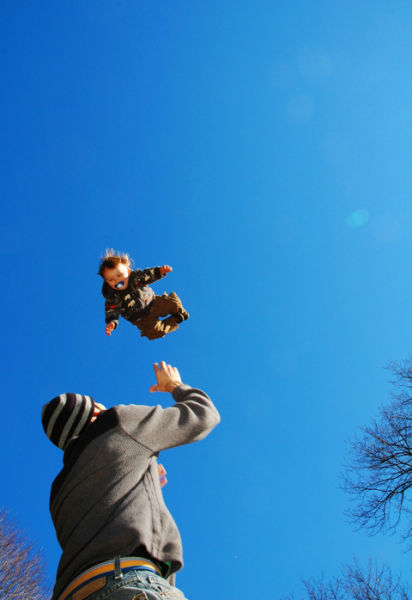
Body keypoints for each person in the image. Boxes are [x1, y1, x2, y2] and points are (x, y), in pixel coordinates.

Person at [42, 361, 220, 600]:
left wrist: (146, 481)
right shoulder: (117, 422)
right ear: (94, 413)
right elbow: (203, 415)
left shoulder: (58, 492)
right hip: (129, 582)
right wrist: (174, 385)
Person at [98, 250, 189, 340]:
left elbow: (146, 275)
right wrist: (112, 322)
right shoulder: (112, 297)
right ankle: (176, 319)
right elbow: (111, 311)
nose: (117, 281)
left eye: (119, 275)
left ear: (128, 271)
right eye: (111, 280)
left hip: (153, 303)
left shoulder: (135, 279)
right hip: (141, 320)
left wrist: (159, 271)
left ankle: (180, 310)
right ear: (106, 282)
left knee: (172, 304)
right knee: (154, 333)